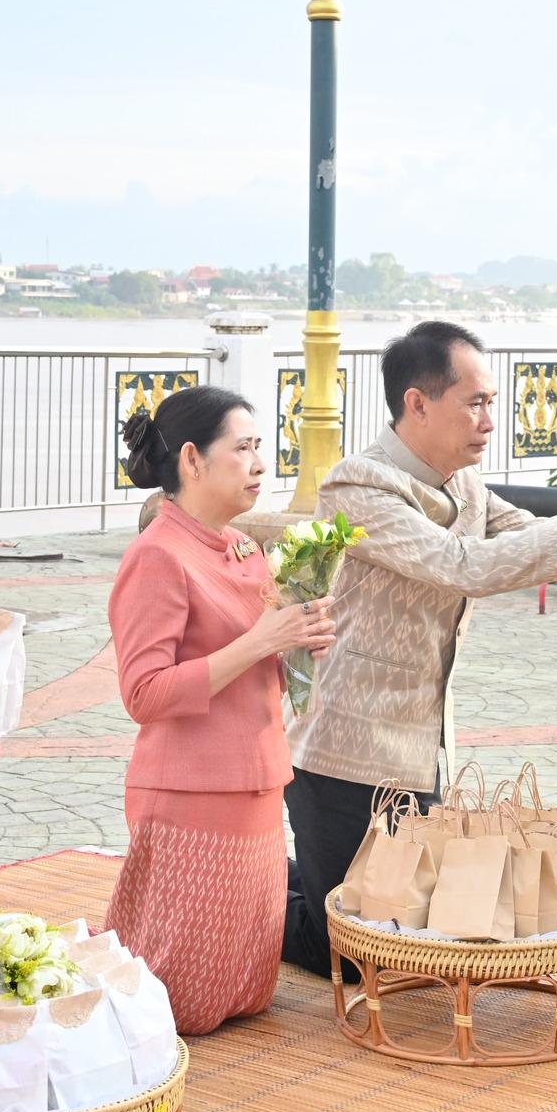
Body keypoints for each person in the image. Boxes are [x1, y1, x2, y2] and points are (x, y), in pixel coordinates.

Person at [281, 321, 557, 977]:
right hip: (343, 750)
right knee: (356, 953)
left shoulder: (464, 484)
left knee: (412, 933)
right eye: (475, 403)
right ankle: (253, 890)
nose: (490, 419)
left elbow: (533, 538)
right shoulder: (358, 485)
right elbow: (464, 564)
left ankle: (281, 872)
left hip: (418, 751)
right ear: (418, 403)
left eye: (494, 402)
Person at [104, 387, 335, 1034]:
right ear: (192, 460)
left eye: (261, 447)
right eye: (242, 448)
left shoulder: (242, 547)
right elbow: (143, 692)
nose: (259, 463)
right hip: (192, 788)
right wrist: (261, 639)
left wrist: (300, 645)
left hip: (257, 775)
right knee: (179, 1003)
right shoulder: (157, 553)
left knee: (246, 992)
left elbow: (262, 661)